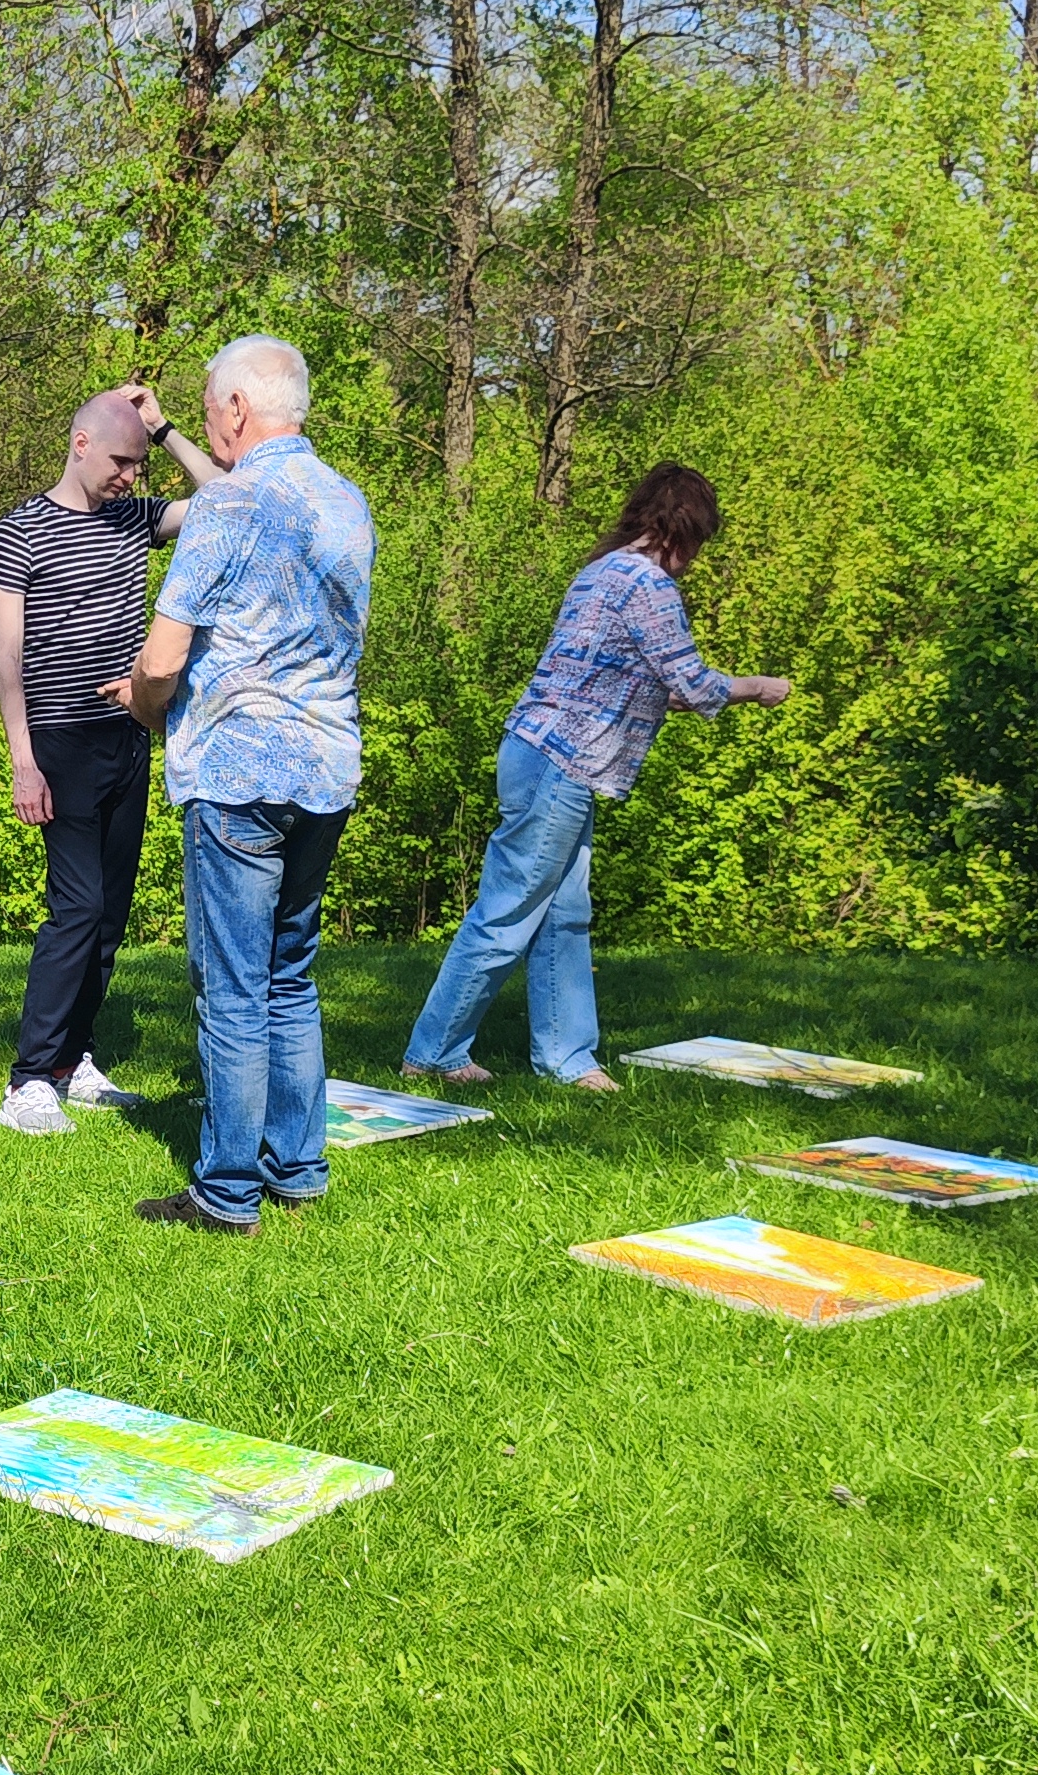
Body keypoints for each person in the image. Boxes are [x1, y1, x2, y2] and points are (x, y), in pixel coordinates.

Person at [399, 464, 789, 1091]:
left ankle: (568, 1058)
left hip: (543, 756)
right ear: (683, 531)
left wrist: (694, 694)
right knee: (507, 910)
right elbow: (692, 684)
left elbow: (641, 684)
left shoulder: (601, 572)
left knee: (564, 913)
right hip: (561, 762)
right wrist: (758, 687)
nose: (694, 560)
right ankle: (434, 1052)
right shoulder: (648, 584)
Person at [112, 336, 375, 1233]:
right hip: (326, 769)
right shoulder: (345, 502)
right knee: (289, 975)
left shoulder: (227, 507)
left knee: (231, 988)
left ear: (233, 408)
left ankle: (226, 1194)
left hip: (238, 773)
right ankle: (297, 1169)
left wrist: (145, 707)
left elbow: (162, 657)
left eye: (209, 409)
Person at [0, 383, 224, 1135]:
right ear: (80, 444)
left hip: (128, 736)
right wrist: (23, 761)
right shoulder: (20, 531)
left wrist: (163, 427)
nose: (130, 475)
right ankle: (28, 1080)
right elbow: (6, 659)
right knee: (78, 908)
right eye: (121, 460)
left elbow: (225, 497)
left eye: (138, 464)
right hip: (59, 744)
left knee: (110, 915)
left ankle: (72, 1059)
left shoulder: (133, 518)